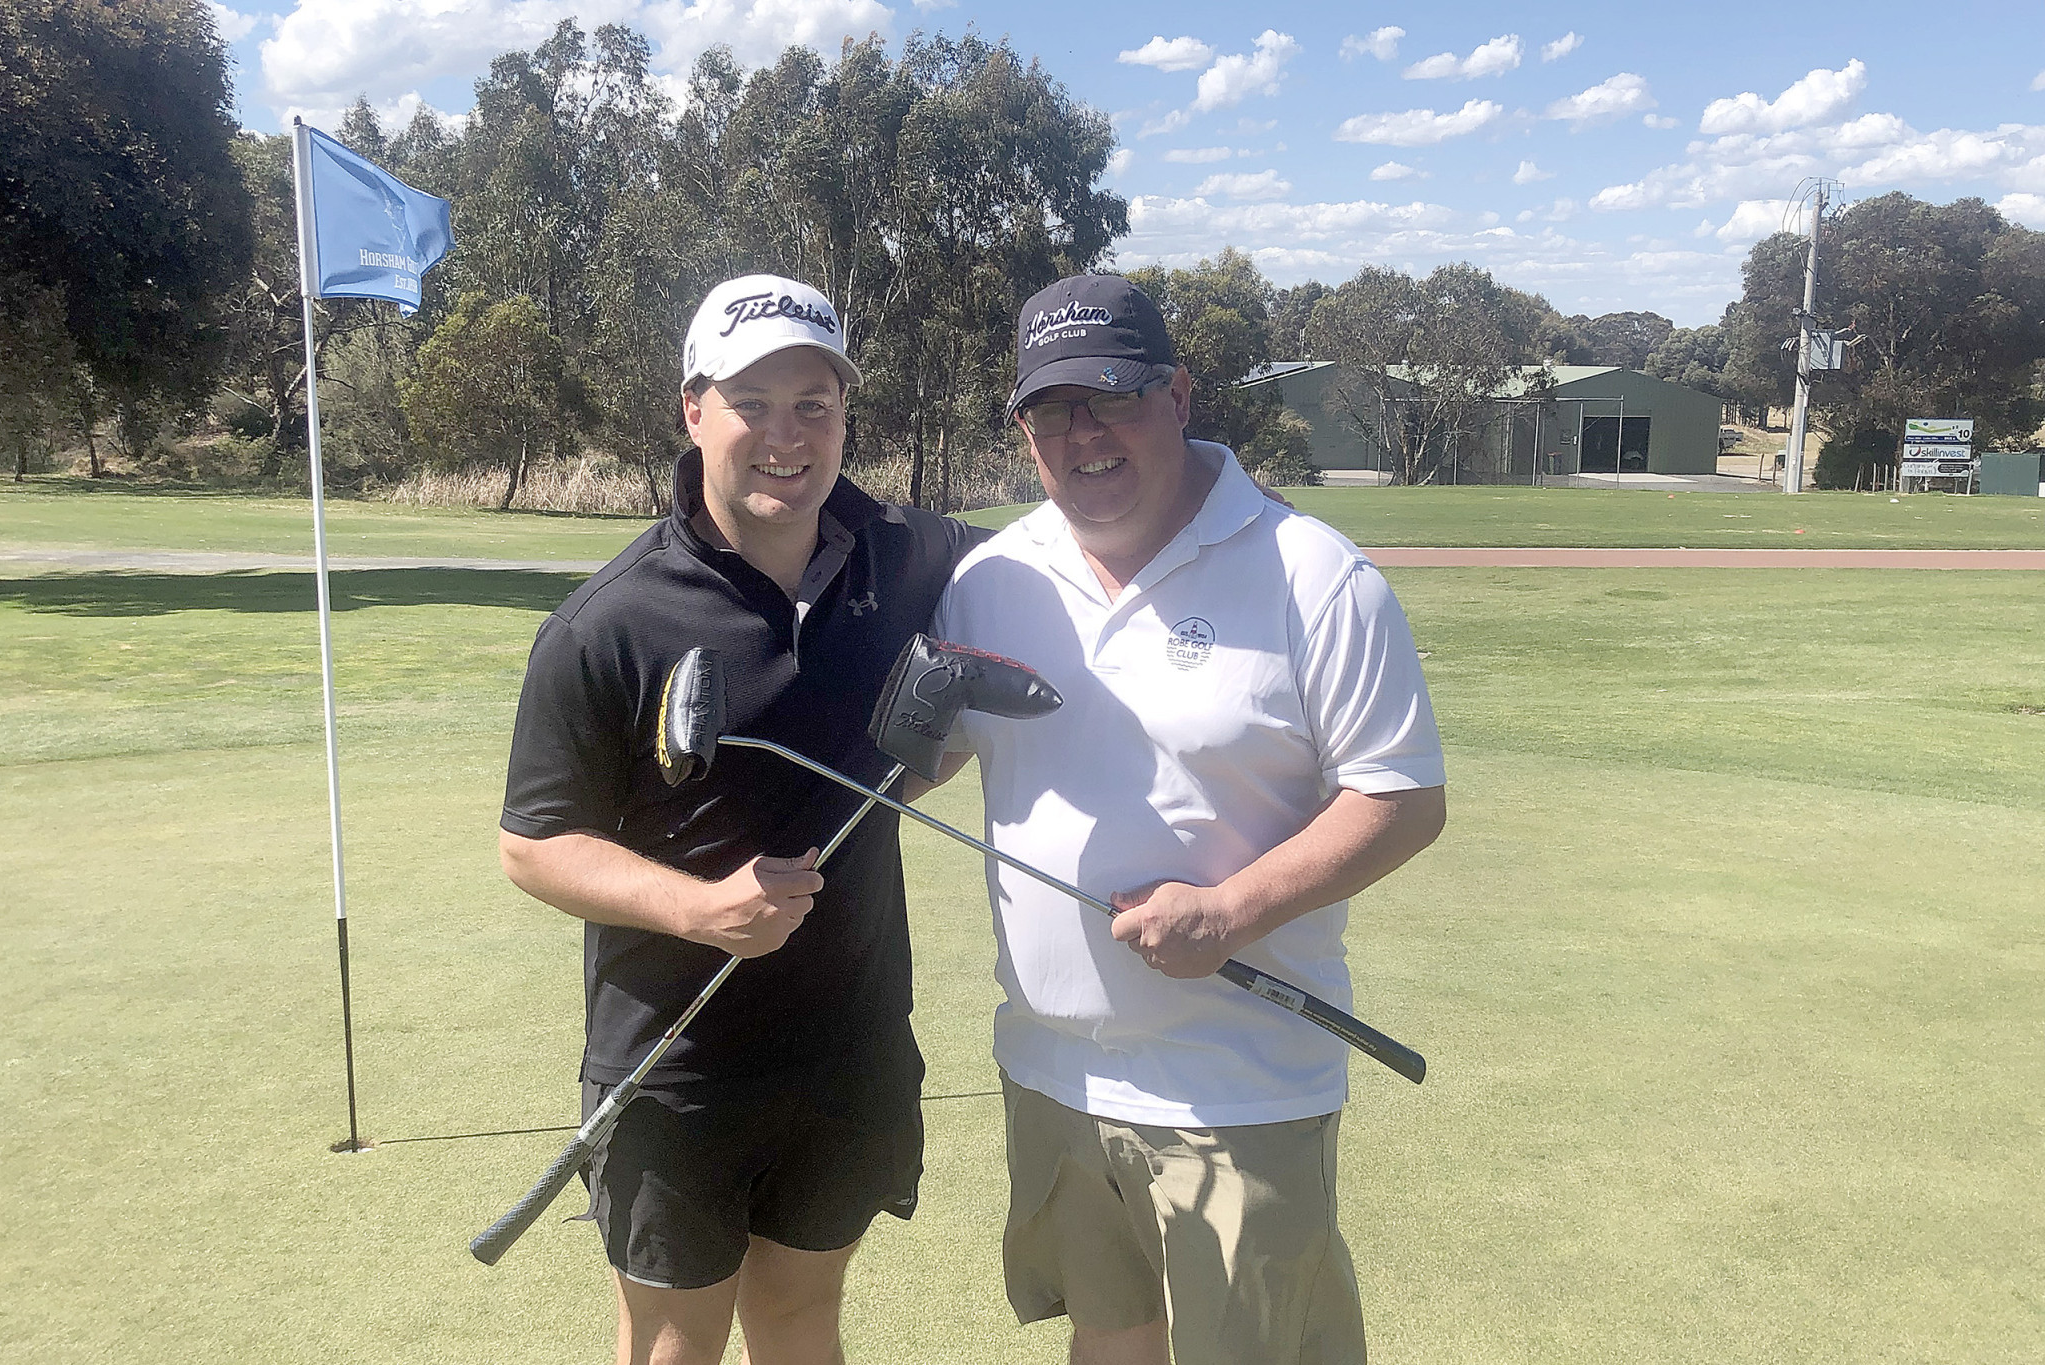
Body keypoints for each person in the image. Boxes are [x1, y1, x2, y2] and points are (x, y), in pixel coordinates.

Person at [930, 275, 1449, 1365]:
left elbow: (1399, 799)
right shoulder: (989, 582)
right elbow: (922, 759)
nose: (1082, 435)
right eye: (1049, 410)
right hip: (1049, 1074)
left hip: (1238, 1084)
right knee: (1108, 1341)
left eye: (1109, 398)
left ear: (1176, 392)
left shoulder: (1312, 574)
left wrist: (1229, 908)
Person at [497, 274, 977, 1365]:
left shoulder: (906, 557)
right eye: (752, 401)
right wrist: (700, 908)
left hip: (848, 1045)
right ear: (693, 410)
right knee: (673, 1341)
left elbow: (1062, 571)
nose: (785, 434)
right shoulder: (607, 622)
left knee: (804, 1322)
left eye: (814, 403)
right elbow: (532, 844)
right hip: (678, 1061)